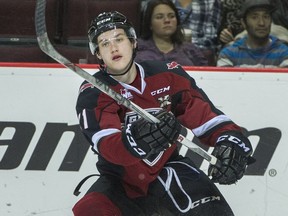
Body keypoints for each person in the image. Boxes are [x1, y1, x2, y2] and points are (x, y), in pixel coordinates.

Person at [72, 11, 254, 216]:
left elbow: (206, 117)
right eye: (104, 43)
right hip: (121, 182)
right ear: (98, 54)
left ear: (133, 42)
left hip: (170, 168)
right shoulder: (93, 92)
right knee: (89, 210)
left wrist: (230, 141)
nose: (113, 47)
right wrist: (137, 138)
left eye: (119, 39)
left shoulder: (168, 75)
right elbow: (108, 146)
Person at [217, 0, 288, 68]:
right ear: (244, 23)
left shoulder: (284, 52)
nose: (261, 23)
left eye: (266, 17)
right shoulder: (229, 53)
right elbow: (224, 79)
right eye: (254, 17)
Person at [136, 0, 208, 66]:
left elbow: (205, 75)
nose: (167, 20)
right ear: (150, 24)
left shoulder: (190, 49)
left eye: (171, 16)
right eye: (159, 17)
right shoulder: (137, 48)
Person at [170, 0, 222, 66]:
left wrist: (187, 46)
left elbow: (211, 36)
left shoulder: (212, 2)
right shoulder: (164, 2)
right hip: (169, 46)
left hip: (199, 49)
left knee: (207, 53)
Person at [219, 0, 288, 47]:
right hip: (241, 38)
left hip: (277, 33)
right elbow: (223, 27)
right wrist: (224, 34)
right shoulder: (230, 3)